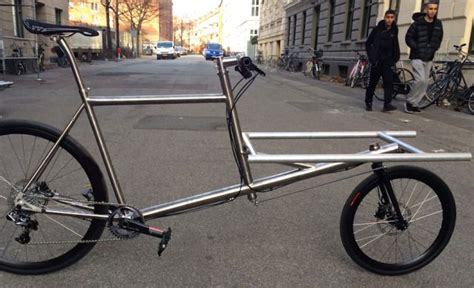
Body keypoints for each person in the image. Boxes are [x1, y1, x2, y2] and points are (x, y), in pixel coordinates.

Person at [405, 0, 443, 113]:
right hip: (417, 55)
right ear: (426, 9)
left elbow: (439, 37)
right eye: (430, 9)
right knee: (420, 80)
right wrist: (416, 47)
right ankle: (409, 101)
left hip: (429, 57)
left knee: (425, 82)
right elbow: (408, 38)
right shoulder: (417, 23)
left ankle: (415, 104)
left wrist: (435, 48)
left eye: (435, 9)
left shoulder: (438, 24)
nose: (432, 11)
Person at [365, 9, 400, 112]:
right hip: (377, 61)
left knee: (389, 83)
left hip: (388, 61)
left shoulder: (394, 30)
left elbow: (395, 44)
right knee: (372, 83)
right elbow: (368, 43)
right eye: (387, 17)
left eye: (391, 18)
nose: (389, 20)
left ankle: (387, 104)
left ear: (394, 19)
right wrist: (372, 57)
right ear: (384, 18)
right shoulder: (377, 29)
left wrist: (395, 57)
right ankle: (368, 102)